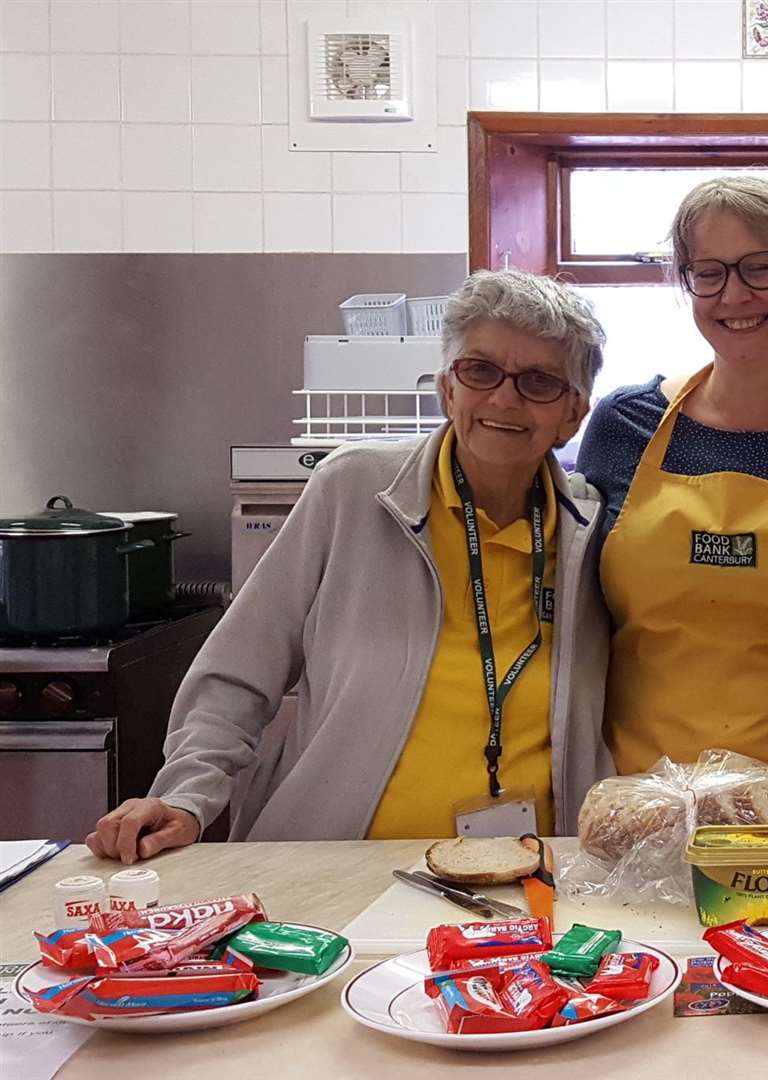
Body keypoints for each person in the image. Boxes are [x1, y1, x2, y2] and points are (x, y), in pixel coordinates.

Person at [86, 270, 615, 863]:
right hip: (336, 862)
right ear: (447, 387)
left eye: (539, 382)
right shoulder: (354, 488)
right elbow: (237, 674)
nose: (503, 398)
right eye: (480, 370)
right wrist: (187, 796)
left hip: (528, 872)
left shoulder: (590, 533)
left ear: (574, 413)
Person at [576, 177, 768, 797]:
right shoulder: (627, 424)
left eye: (760, 267)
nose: (735, 294)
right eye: (708, 273)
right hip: (637, 802)